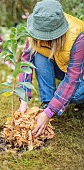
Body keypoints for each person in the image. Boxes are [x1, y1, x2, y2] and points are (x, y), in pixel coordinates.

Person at [18, 0, 84, 138]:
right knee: (38, 54)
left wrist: (49, 113)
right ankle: (48, 103)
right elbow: (26, 62)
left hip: (79, 74)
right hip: (61, 65)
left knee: (77, 94)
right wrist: (23, 98)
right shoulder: (36, 26)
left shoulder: (78, 36)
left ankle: (52, 108)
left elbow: (73, 78)